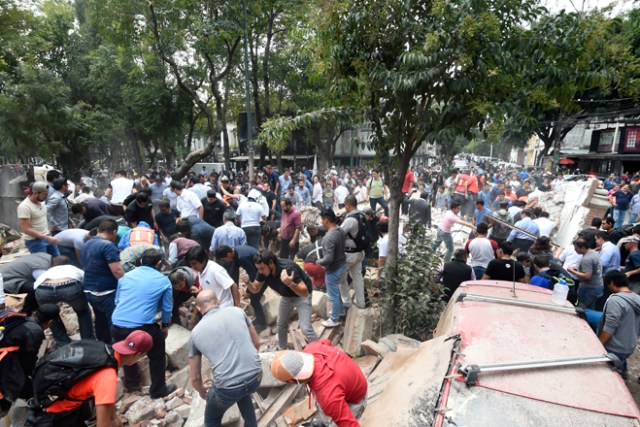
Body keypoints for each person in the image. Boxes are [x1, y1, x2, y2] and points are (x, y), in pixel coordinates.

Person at [25, 330, 153, 427]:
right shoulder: (108, 376)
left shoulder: (104, 351)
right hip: (55, 416)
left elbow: (106, 401)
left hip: (61, 406)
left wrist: (114, 417)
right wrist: (112, 419)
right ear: (138, 354)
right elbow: (102, 424)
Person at [188, 290, 262, 427]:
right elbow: (257, 343)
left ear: (198, 308)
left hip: (228, 388)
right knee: (243, 390)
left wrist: (202, 391)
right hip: (256, 376)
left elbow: (194, 377)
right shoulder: (238, 312)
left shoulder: (195, 334)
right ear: (218, 301)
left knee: (211, 419)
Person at [111, 248, 175, 398]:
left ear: (140, 261)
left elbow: (117, 301)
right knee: (157, 353)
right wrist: (165, 327)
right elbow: (167, 308)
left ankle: (132, 383)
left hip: (117, 324)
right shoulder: (163, 281)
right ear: (159, 263)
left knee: (125, 350)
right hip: (142, 327)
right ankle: (158, 390)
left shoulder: (125, 277)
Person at [270, 340, 368, 427]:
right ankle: (328, 421)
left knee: (337, 417)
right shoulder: (312, 348)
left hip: (356, 399)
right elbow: (327, 342)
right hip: (353, 380)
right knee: (325, 405)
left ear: (292, 381)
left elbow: (350, 424)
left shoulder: (328, 396)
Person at [243, 250, 319, 350]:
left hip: (301, 296)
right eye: (258, 269)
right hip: (286, 297)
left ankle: (321, 351)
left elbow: (304, 292)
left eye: (262, 268)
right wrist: (248, 282)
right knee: (281, 324)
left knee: (306, 328)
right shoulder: (263, 271)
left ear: (271, 263)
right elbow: (256, 289)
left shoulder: (288, 268)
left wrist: (290, 284)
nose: (260, 272)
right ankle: (282, 348)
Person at [0, 304, 56, 417]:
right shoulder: (35, 331)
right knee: (15, 388)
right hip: (4, 363)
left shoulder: (22, 319)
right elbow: (28, 360)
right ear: (50, 322)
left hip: (6, 356)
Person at [80, 219, 125, 344]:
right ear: (114, 232)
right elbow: (117, 272)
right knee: (115, 322)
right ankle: (118, 352)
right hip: (106, 292)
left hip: (89, 290)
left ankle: (103, 347)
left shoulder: (86, 244)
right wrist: (129, 285)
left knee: (100, 320)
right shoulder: (108, 246)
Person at [34, 259, 95, 346]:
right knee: (83, 312)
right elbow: (86, 281)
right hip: (69, 286)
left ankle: (63, 344)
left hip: (44, 289)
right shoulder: (72, 268)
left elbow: (35, 286)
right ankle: (88, 342)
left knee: (51, 316)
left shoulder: (49, 271)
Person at [597, 270, 640, 378]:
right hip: (629, 345)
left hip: (615, 347)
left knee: (611, 373)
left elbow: (610, 327)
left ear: (611, 283)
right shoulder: (636, 298)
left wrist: (598, 345)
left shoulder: (616, 301)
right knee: (622, 359)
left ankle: (621, 378)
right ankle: (624, 372)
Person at [214, 245, 266, 332]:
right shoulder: (235, 253)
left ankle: (262, 324)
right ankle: (258, 319)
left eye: (224, 259)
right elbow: (234, 273)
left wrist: (248, 291)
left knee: (254, 300)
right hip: (257, 270)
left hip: (263, 272)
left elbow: (253, 275)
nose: (225, 261)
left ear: (229, 254)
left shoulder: (242, 257)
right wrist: (233, 289)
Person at [316, 209, 347, 328]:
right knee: (336, 292)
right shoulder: (340, 230)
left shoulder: (329, 237)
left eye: (322, 220)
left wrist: (318, 261)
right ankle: (340, 311)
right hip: (342, 265)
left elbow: (328, 258)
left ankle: (334, 319)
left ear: (326, 221)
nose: (321, 222)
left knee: (333, 295)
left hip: (333, 269)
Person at [18, 181, 60, 256]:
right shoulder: (24, 207)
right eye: (44, 194)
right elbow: (25, 229)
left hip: (47, 236)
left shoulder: (41, 201)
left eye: (47, 194)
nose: (46, 196)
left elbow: (41, 217)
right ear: (35, 193)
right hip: (35, 242)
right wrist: (46, 237)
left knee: (58, 261)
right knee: (43, 265)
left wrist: (48, 230)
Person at [339, 195, 367, 309]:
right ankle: (361, 303)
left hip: (349, 254)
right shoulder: (362, 215)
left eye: (345, 205)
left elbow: (339, 234)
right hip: (360, 252)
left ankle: (346, 302)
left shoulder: (350, 219)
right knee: (357, 278)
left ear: (348, 205)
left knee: (341, 278)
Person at [567, 238, 603, 310]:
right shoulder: (593, 253)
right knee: (590, 307)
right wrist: (578, 270)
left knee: (582, 308)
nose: (575, 250)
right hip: (598, 285)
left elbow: (587, 276)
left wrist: (571, 271)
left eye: (576, 248)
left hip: (589, 288)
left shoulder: (587, 259)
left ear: (583, 247)